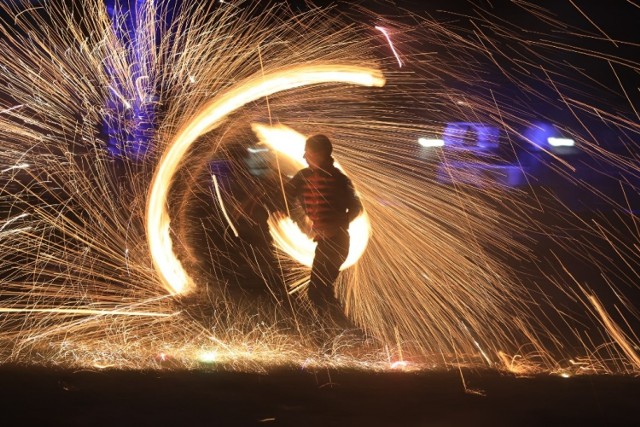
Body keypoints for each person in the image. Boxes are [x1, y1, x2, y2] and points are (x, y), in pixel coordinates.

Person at [285, 134, 363, 329]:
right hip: (324, 242)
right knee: (320, 291)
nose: (304, 156)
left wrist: (336, 224)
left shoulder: (339, 179)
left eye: (309, 152)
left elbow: (356, 207)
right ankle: (337, 332)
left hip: (337, 242)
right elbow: (285, 194)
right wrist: (293, 216)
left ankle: (341, 331)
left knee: (318, 291)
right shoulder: (303, 177)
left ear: (320, 154)